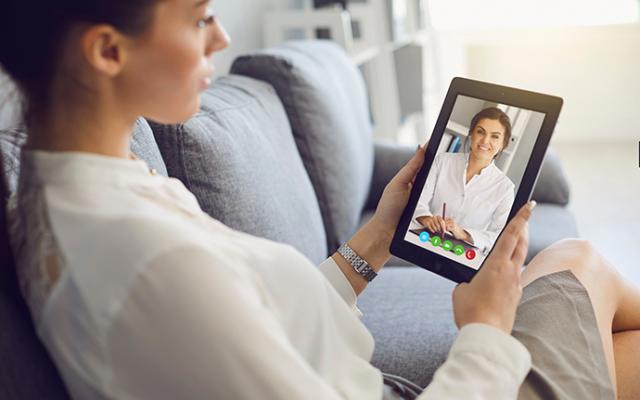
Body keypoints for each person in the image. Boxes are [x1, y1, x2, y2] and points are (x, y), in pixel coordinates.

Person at [1, 1, 639, 399]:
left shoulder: (84, 183)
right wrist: (485, 330)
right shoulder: (143, 261)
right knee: (578, 261)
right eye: (199, 16)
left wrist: (376, 240)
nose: (221, 36)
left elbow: (256, 318)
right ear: (108, 50)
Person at [414, 108, 515, 254]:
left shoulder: (505, 188)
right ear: (471, 134)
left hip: (462, 253)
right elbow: (418, 199)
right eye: (480, 132)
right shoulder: (442, 161)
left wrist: (463, 233)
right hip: (426, 239)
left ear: (503, 145)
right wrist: (426, 218)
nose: (485, 141)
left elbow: (498, 236)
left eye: (495, 137)